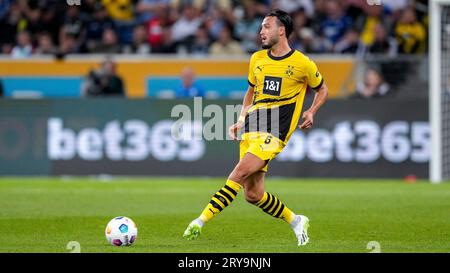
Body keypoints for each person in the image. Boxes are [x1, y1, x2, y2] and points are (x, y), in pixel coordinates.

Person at [183, 9, 329, 246]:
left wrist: (311, 111)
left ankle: (199, 221)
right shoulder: (257, 59)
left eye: (266, 27)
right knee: (253, 195)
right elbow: (251, 93)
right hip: (252, 127)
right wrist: (241, 119)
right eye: (261, 27)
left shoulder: (302, 63)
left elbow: (322, 89)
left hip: (274, 132)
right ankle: (296, 220)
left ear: (281, 30)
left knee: (237, 174)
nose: (261, 32)